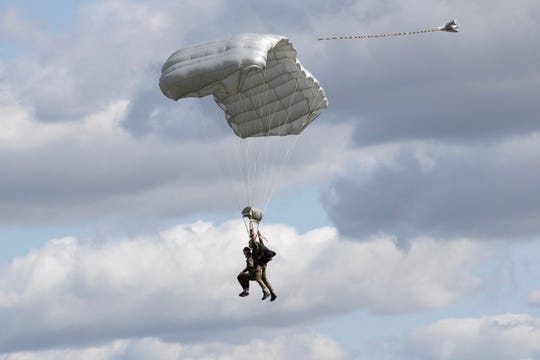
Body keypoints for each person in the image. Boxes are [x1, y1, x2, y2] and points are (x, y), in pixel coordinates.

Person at [248, 230, 277, 302]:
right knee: (264, 279)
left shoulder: (255, 246)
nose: (249, 245)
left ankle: (265, 292)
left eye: (250, 244)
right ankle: (272, 293)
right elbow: (260, 239)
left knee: (258, 278)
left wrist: (252, 234)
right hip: (264, 265)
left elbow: (254, 241)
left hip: (259, 266)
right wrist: (259, 234)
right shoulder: (261, 245)